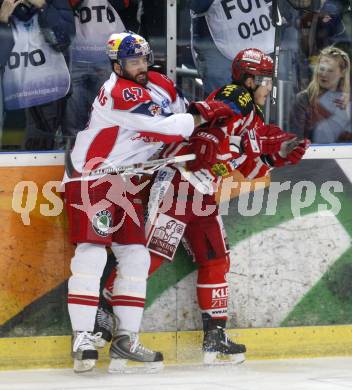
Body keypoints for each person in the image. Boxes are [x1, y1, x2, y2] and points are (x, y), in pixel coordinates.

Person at [98, 48, 310, 365]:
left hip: (203, 194)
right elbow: (209, 120)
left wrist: (278, 151)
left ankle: (214, 337)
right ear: (249, 80)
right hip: (178, 185)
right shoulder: (235, 95)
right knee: (152, 255)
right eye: (264, 80)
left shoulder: (253, 118)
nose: (269, 87)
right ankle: (103, 312)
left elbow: (249, 164)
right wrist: (209, 134)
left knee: (216, 259)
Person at [63, 31, 234, 373]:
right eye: (133, 61)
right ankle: (82, 337)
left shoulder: (151, 86)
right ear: (116, 65)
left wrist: (205, 116)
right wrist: (202, 115)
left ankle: (126, 340)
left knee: (137, 256)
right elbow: (168, 129)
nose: (141, 66)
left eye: (144, 59)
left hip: (122, 181)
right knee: (92, 253)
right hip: (91, 177)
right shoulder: (118, 91)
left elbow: (177, 116)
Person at [1, 0, 75, 150]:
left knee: (42, 146)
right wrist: (3, 19)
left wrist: (43, 7)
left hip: (48, 92)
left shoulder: (54, 3)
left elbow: (62, 41)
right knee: (11, 147)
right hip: (11, 96)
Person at [61, 0, 131, 141]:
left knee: (105, 115)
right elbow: (62, 6)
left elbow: (124, 4)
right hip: (75, 57)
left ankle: (103, 155)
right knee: (73, 121)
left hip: (105, 57)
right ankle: (73, 157)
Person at [189, 0, 275, 95]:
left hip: (259, 35)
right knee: (223, 101)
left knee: (263, 97)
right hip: (221, 48)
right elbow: (196, 5)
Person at [290, 46, 351, 143]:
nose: (324, 74)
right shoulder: (304, 99)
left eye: (330, 70)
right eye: (322, 69)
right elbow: (296, 139)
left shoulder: (348, 101)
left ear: (342, 72)